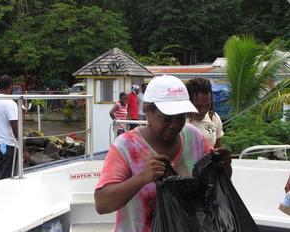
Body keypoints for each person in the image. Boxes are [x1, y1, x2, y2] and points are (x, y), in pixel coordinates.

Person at [94, 75, 232, 232]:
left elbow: (214, 184)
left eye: (180, 117)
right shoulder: (126, 146)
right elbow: (102, 203)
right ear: (147, 110)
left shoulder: (194, 137)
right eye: (166, 118)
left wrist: (224, 167)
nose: (174, 125)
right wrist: (141, 178)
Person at [185, 78, 224, 148]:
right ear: (189, 102)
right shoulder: (179, 121)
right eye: (198, 106)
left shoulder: (214, 118)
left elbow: (217, 149)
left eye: (207, 105)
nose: (203, 110)